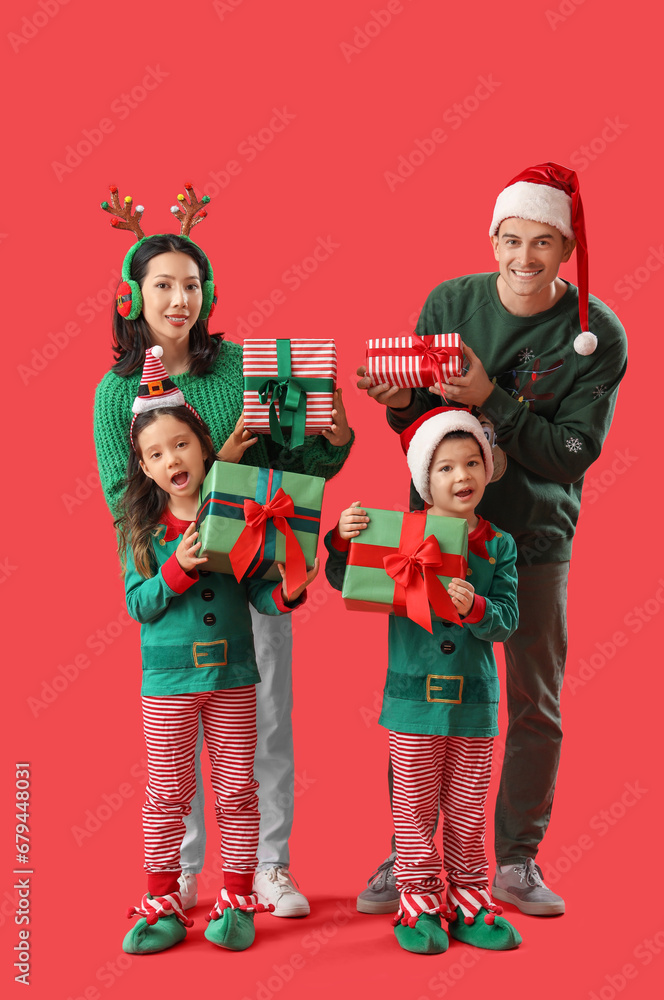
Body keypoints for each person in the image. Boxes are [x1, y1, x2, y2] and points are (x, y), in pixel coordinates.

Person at [355, 162, 627, 916]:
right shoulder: (451, 302)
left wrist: (489, 400)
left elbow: (571, 452)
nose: (524, 258)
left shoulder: (595, 335)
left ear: (565, 249)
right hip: (434, 535)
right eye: (511, 240)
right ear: (491, 239)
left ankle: (514, 859)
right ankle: (411, 857)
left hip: (535, 534)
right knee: (419, 697)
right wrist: (401, 399)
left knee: (532, 700)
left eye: (543, 243)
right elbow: (416, 431)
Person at [94, 184, 353, 917]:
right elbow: (129, 503)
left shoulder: (246, 364)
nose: (180, 299)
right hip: (175, 584)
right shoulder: (115, 396)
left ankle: (266, 865)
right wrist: (168, 563)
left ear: (208, 294)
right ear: (133, 296)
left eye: (192, 285)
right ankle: (178, 875)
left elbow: (294, 472)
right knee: (177, 742)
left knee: (263, 720)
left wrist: (332, 439)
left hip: (257, 570)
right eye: (163, 286)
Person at [118, 348, 317, 954]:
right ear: (145, 469)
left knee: (235, 789)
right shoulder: (141, 532)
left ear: (203, 448)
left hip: (233, 675)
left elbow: (260, 590)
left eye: (180, 445)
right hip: (169, 683)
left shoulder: (236, 514)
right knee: (167, 792)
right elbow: (139, 605)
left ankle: (235, 898)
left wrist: (287, 591)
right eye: (156, 454)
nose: (171, 459)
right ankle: (162, 900)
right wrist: (175, 569)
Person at [325, 407, 521, 954]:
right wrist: (341, 540)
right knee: (412, 810)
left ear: (487, 469)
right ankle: (417, 902)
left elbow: (507, 622)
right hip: (412, 704)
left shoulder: (498, 544)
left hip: (475, 705)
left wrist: (477, 606)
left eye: (473, 463)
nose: (462, 477)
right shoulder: (398, 532)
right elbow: (347, 581)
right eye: (446, 468)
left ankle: (469, 898)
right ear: (423, 480)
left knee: (466, 808)